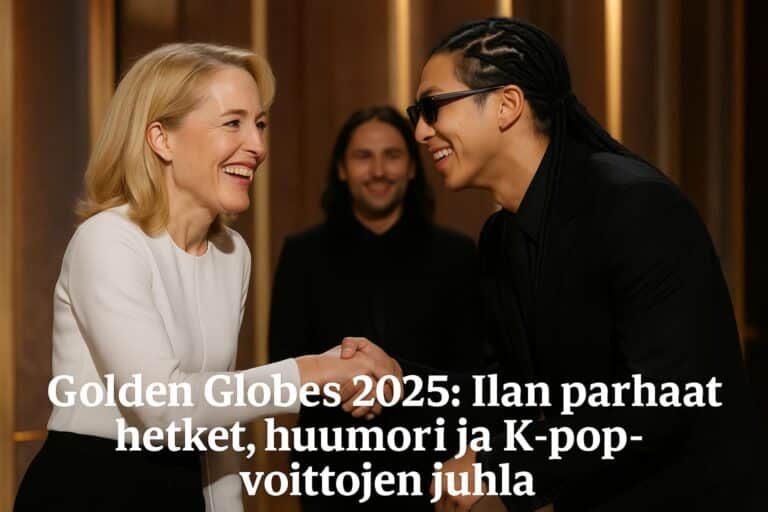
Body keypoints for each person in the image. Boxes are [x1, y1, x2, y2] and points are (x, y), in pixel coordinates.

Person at [342, 17, 763, 512]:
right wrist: (401, 380)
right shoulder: (499, 238)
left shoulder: (634, 205)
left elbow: (662, 402)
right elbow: (513, 397)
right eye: (418, 113)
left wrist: (497, 467)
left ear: (507, 105)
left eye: (433, 108)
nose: (420, 131)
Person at [14, 43, 397, 512]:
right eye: (233, 123)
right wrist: (314, 371)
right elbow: (163, 408)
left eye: (259, 124)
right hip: (89, 490)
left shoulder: (232, 253)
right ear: (161, 139)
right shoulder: (108, 240)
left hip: (180, 489)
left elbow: (215, 419)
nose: (257, 146)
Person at [268, 106, 484, 509]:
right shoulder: (302, 255)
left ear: (412, 168)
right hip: (329, 472)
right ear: (342, 169)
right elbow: (283, 364)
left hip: (430, 470)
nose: (379, 170)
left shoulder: (456, 255)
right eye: (363, 156)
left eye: (392, 155)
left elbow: (474, 372)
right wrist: (351, 389)